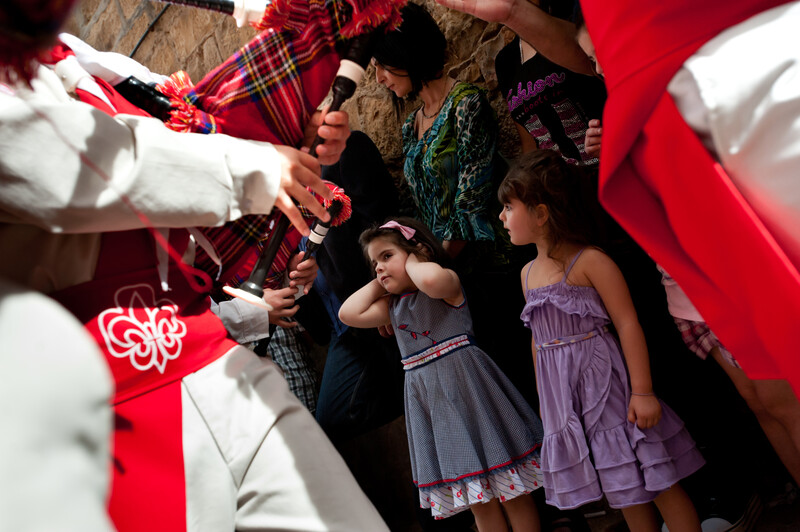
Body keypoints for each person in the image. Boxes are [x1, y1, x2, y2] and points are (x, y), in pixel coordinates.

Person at [0, 2, 388, 530]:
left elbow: (194, 130)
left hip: (208, 353)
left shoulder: (91, 66)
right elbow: (67, 166)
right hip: (102, 402)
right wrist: (257, 169)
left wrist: (294, 135)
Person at [499, 150, 705, 532]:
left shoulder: (590, 261)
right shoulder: (527, 274)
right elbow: (538, 342)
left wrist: (642, 391)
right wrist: (548, 404)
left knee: (656, 478)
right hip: (569, 399)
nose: (502, 217)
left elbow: (628, 324)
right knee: (620, 485)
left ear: (541, 214)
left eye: (509, 207)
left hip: (609, 392)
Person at [372, 1, 539, 412]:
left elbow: (471, 202)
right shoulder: (412, 126)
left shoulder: (467, 103)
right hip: (445, 276)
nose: (378, 79)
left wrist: (423, 274)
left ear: (405, 54)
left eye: (383, 65)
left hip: (490, 271)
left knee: (518, 379)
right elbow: (414, 212)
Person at [339, 217, 545, 531]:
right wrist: (382, 278)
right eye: (374, 263)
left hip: (473, 399)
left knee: (512, 490)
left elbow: (431, 281)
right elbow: (348, 313)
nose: (379, 268)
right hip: (438, 413)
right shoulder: (393, 308)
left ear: (417, 253)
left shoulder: (445, 285)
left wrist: (413, 261)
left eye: (387, 256)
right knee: (479, 502)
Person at [493, 0, 605, 164]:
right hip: (558, 181)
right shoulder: (505, 61)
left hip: (602, 162)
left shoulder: (569, 24)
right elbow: (529, 142)